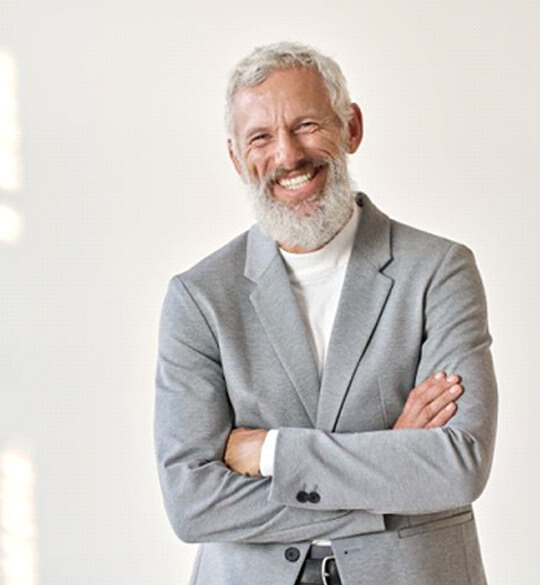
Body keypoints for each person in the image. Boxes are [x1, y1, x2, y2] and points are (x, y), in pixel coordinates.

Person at [154, 42, 497, 585]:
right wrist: (391, 471)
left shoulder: (439, 271)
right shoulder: (198, 298)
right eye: (261, 137)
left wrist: (269, 451)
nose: (288, 156)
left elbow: (457, 466)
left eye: (307, 124)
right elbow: (192, 503)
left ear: (351, 127)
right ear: (237, 159)